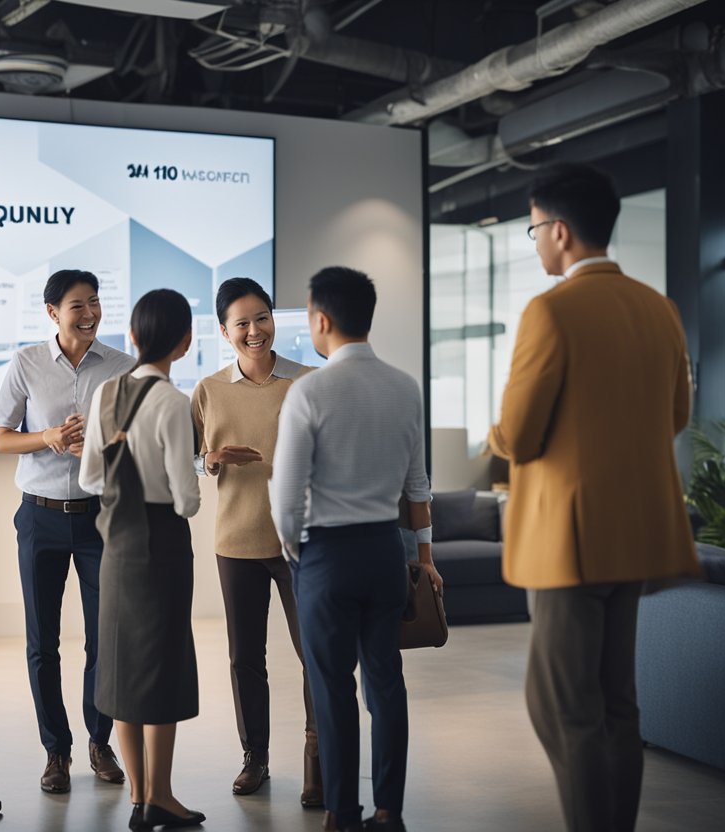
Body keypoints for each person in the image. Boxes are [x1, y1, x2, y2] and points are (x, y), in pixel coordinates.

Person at [488, 163, 699, 832]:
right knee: (618, 706)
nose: (536, 242)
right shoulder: (657, 307)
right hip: (635, 539)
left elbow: (517, 436)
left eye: (532, 229)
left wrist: (496, 428)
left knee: (563, 709)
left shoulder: (550, 310)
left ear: (559, 230)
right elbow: (675, 418)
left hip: (566, 544)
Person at [270, 267, 440, 832]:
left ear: (321, 319)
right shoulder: (404, 387)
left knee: (333, 688)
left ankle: (343, 813)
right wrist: (424, 556)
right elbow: (418, 486)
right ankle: (389, 811)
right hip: (386, 552)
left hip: (326, 555)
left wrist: (298, 556)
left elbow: (286, 497)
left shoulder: (309, 391)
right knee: (385, 683)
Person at [0, 269, 135, 793]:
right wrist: (47, 436)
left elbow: (139, 441)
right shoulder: (27, 362)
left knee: (105, 640)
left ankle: (100, 742)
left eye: (95, 302)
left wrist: (101, 444)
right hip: (40, 517)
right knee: (41, 643)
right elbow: (3, 438)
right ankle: (56, 751)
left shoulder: (122, 367)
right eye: (79, 305)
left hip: (100, 516)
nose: (91, 313)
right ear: (53, 312)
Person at [190, 277, 322, 805]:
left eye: (261, 318)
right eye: (241, 323)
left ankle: (319, 757)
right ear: (224, 331)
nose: (254, 331)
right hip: (237, 540)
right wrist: (211, 461)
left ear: (274, 319)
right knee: (246, 656)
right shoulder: (208, 391)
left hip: (302, 542)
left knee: (316, 652)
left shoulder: (309, 383)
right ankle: (255, 758)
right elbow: (190, 460)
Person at [79, 288, 205, 831]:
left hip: (117, 547)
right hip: (162, 546)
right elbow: (186, 499)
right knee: (164, 670)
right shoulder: (175, 403)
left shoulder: (107, 392)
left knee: (122, 670)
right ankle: (162, 797)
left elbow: (88, 478)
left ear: (131, 336)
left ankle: (137, 797)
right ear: (185, 341)